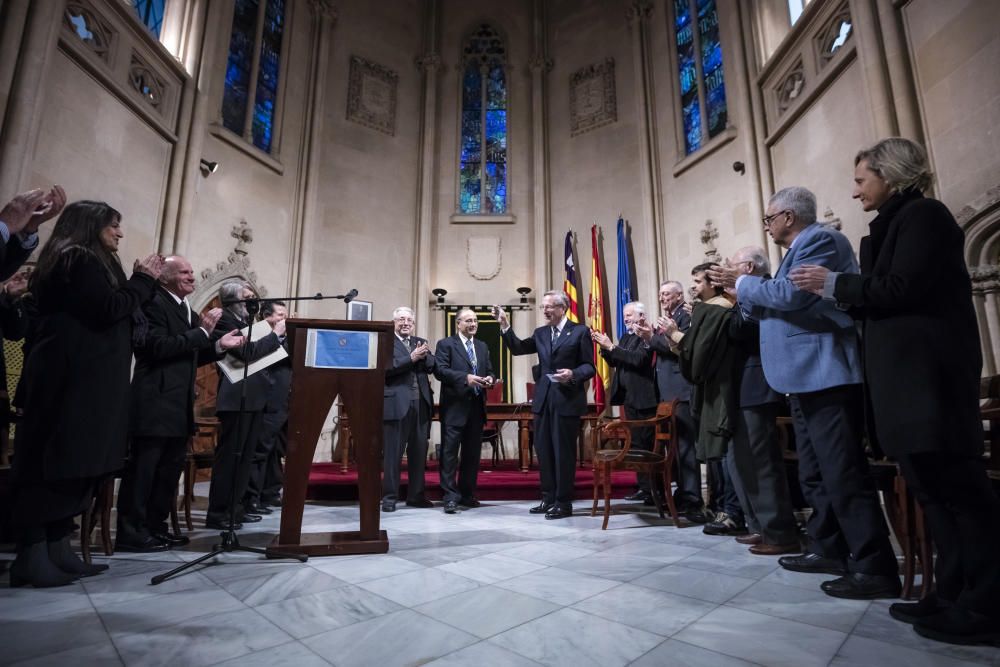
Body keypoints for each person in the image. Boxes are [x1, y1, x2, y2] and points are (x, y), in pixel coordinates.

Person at [790, 137, 1000, 644]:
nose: (855, 189)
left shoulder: (925, 216)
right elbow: (881, 300)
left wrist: (836, 284)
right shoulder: (889, 226)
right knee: (932, 493)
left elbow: (904, 288)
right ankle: (950, 593)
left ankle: (987, 605)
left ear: (891, 174)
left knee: (960, 494)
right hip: (903, 385)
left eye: (862, 179)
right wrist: (843, 291)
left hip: (930, 380)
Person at [711, 185, 900, 600]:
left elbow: (791, 296)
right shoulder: (792, 252)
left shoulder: (821, 239)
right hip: (800, 376)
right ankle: (828, 548)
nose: (768, 226)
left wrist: (745, 283)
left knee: (842, 471)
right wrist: (743, 291)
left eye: (769, 219)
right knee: (815, 473)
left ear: (788, 217)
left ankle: (874, 565)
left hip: (825, 371)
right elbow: (773, 304)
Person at [12, 200, 162, 587]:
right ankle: (31, 554)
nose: (120, 232)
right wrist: (143, 280)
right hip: (67, 379)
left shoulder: (93, 260)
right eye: (114, 225)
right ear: (91, 224)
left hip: (90, 383)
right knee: (52, 466)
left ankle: (59, 546)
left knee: (77, 465)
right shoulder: (75, 258)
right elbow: (108, 308)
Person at [116, 256, 243, 552]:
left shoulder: (184, 307)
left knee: (167, 472)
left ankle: (156, 527)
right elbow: (155, 346)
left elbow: (189, 354)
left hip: (177, 402)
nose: (191, 275)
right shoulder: (153, 301)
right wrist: (200, 334)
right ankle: (131, 531)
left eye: (191, 270)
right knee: (144, 471)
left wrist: (216, 347)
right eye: (184, 271)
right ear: (165, 277)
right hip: (154, 400)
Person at [724, 246, 799, 555]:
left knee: (762, 462)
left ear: (750, 268)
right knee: (746, 462)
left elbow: (750, 330)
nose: (728, 270)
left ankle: (779, 532)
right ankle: (761, 526)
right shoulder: (747, 295)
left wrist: (734, 300)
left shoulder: (765, 290)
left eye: (733, 265)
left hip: (760, 383)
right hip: (743, 386)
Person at [495, 291, 595, 520]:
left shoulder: (580, 331)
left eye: (550, 307)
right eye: (543, 307)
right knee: (545, 452)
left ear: (563, 308)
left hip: (567, 401)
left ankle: (563, 502)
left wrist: (572, 373)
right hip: (543, 401)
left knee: (563, 453)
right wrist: (504, 325)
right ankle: (548, 498)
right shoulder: (541, 333)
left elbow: (589, 366)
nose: (546, 311)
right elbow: (518, 348)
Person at [206, 281, 284, 530]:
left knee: (245, 459)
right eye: (248, 297)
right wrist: (275, 336)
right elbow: (247, 353)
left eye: (254, 297)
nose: (253, 302)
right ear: (232, 301)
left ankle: (236, 509)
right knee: (230, 459)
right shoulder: (225, 321)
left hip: (254, 398)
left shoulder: (244, 323)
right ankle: (219, 512)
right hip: (236, 398)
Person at [636, 281, 711, 522]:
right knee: (677, 447)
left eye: (666, 294)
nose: (661, 298)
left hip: (682, 391)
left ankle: (692, 498)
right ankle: (682, 493)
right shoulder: (671, 316)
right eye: (659, 294)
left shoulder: (684, 316)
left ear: (679, 295)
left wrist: (650, 337)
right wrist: (650, 337)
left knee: (686, 448)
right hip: (669, 393)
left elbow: (681, 347)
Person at [592, 301, 657, 503]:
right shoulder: (628, 336)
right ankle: (643, 488)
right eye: (625, 315)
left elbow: (638, 360)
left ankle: (654, 491)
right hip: (629, 398)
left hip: (645, 399)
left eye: (629, 315)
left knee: (647, 446)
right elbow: (618, 361)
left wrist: (612, 346)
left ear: (641, 315)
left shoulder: (646, 335)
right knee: (636, 444)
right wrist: (605, 348)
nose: (626, 319)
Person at [434, 308, 494, 514]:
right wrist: (465, 378)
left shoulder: (482, 346)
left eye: (475, 321)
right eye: (468, 320)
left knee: (472, 455)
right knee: (449, 454)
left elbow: (490, 370)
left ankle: (467, 495)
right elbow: (440, 371)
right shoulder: (446, 344)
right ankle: (450, 497)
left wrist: (490, 379)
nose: (473, 324)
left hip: (476, 408)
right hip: (454, 407)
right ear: (458, 323)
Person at [382, 306, 436, 512]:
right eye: (401, 320)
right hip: (396, 404)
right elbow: (386, 369)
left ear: (413, 324)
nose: (406, 323)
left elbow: (431, 365)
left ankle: (416, 496)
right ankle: (389, 498)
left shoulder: (419, 342)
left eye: (409, 320)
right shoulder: (386, 342)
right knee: (392, 454)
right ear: (394, 322)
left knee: (419, 452)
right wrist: (412, 358)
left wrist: (426, 355)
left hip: (421, 404)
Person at [244, 300, 291, 514]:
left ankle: (270, 493)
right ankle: (251, 498)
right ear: (266, 316)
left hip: (284, 402)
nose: (284, 319)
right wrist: (277, 337)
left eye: (285, 315)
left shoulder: (287, 338)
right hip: (266, 401)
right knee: (260, 450)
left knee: (276, 451)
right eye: (280, 315)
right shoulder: (258, 337)